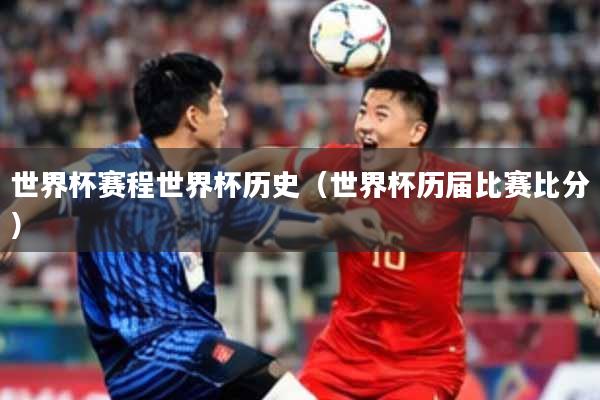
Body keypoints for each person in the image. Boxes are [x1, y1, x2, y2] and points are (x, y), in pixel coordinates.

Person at [0, 53, 385, 400]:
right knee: (262, 375)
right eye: (219, 101)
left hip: (196, 356)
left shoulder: (212, 186)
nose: (227, 115)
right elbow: (53, 188)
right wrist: (12, 219)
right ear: (193, 116)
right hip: (143, 357)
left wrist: (336, 224)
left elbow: (274, 228)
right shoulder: (117, 168)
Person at [227, 69, 600, 399]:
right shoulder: (342, 163)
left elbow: (539, 207)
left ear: (416, 131)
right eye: (362, 112)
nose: (364, 125)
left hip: (422, 366)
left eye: (381, 115)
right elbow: (271, 159)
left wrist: (589, 275)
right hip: (342, 358)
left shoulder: (451, 182)